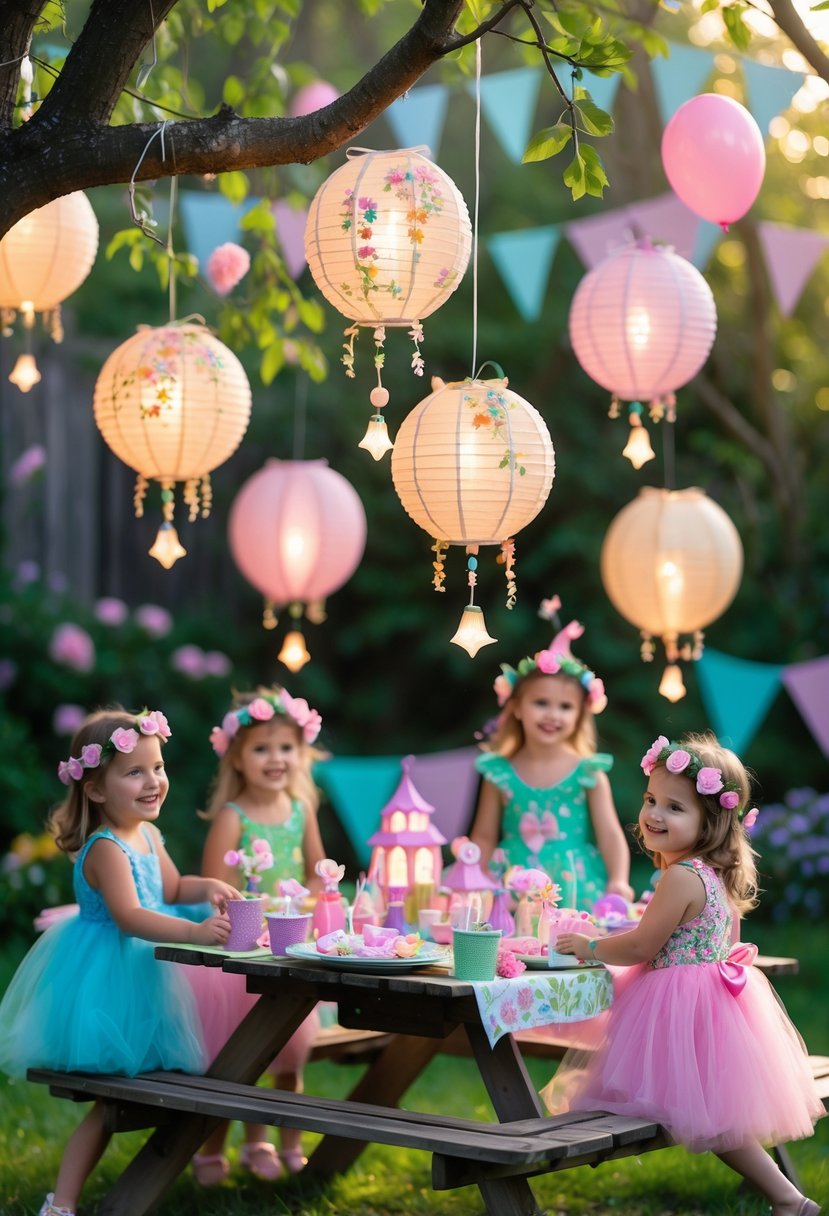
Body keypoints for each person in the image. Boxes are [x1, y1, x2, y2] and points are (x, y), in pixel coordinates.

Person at [545, 732, 824, 1216]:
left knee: (705, 1117)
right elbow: (723, 942)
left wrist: (589, 946)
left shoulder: (680, 877)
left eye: (675, 807)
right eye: (651, 799)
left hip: (678, 1008)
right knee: (711, 1114)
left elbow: (641, 947)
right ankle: (787, 1198)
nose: (654, 814)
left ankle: (788, 1199)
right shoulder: (714, 876)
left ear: (709, 823)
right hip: (711, 1003)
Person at [0, 707, 240, 1216]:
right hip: (111, 978)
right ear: (95, 790)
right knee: (111, 1101)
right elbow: (130, 917)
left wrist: (206, 886)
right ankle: (61, 1203)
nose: (153, 781)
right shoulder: (106, 848)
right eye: (135, 772)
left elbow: (171, 888)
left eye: (158, 767)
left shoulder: (147, 835)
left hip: (150, 975)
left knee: (156, 1088)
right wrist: (194, 932)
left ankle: (179, 1162)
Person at [188, 686, 327, 1185]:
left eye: (286, 747)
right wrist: (256, 910)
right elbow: (214, 889)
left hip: (286, 948)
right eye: (262, 748)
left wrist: (306, 899)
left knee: (288, 1057)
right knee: (234, 1059)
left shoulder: (300, 809)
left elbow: (317, 873)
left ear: (301, 753)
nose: (276, 758)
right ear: (237, 759)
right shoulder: (233, 817)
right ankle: (210, 1150)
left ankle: (278, 1143)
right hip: (242, 955)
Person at [469, 612, 633, 909]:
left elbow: (610, 835)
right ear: (517, 707)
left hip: (572, 885)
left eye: (565, 706)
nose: (552, 715)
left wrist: (618, 880)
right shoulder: (499, 772)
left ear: (580, 714)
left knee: (569, 936)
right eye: (541, 702)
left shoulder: (588, 772)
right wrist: (476, 876)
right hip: (511, 885)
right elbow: (483, 835)